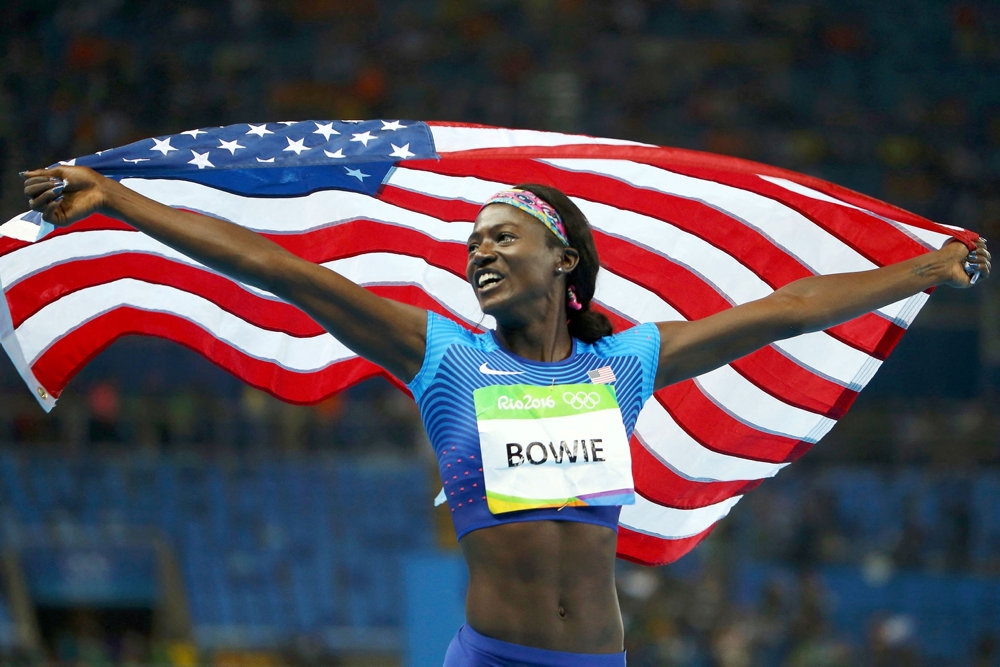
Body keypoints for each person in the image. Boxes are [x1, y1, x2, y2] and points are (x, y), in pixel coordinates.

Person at [22, 167, 990, 665]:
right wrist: (121, 203)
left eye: (501, 236)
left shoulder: (625, 364)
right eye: (471, 241)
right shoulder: (443, 356)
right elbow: (280, 269)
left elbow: (780, 310)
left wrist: (923, 268)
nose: (477, 252)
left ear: (562, 257)